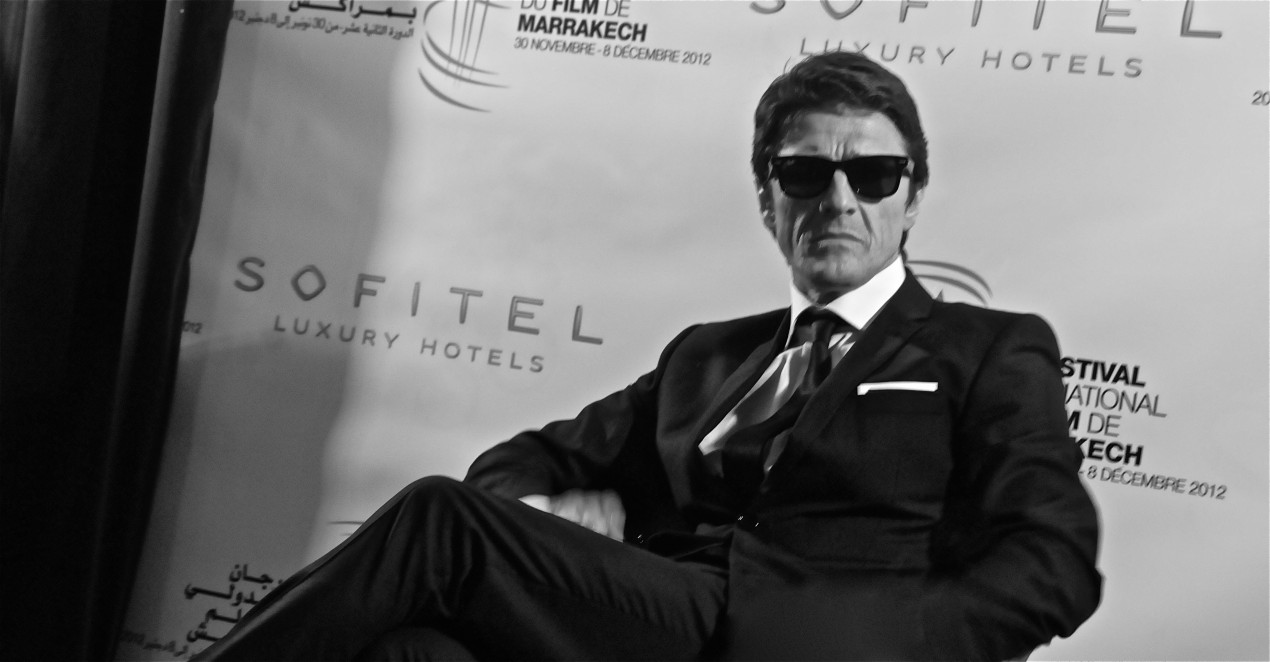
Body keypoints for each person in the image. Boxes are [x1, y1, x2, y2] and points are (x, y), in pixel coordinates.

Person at [193, 51, 1101, 662]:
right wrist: (555, 511)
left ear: (913, 199)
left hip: (800, 629)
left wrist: (868, 645)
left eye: (872, 175)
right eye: (803, 173)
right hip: (655, 615)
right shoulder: (709, 356)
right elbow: (524, 460)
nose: (839, 201)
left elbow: (1052, 564)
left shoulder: (987, 349)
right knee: (415, 652)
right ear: (768, 200)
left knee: (441, 521)